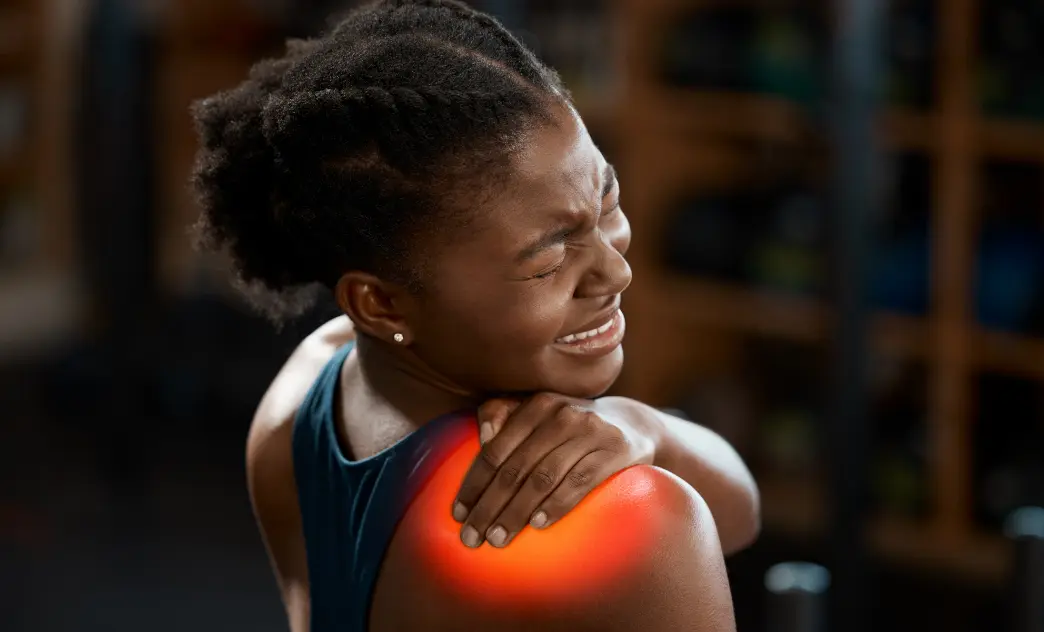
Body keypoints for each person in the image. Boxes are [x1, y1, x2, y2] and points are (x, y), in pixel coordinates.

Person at [190, 1, 760, 630]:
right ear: (379, 304)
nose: (614, 271)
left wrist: (642, 426)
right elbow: (738, 518)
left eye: (607, 202)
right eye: (547, 261)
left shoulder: (300, 401)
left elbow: (741, 507)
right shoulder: (630, 519)